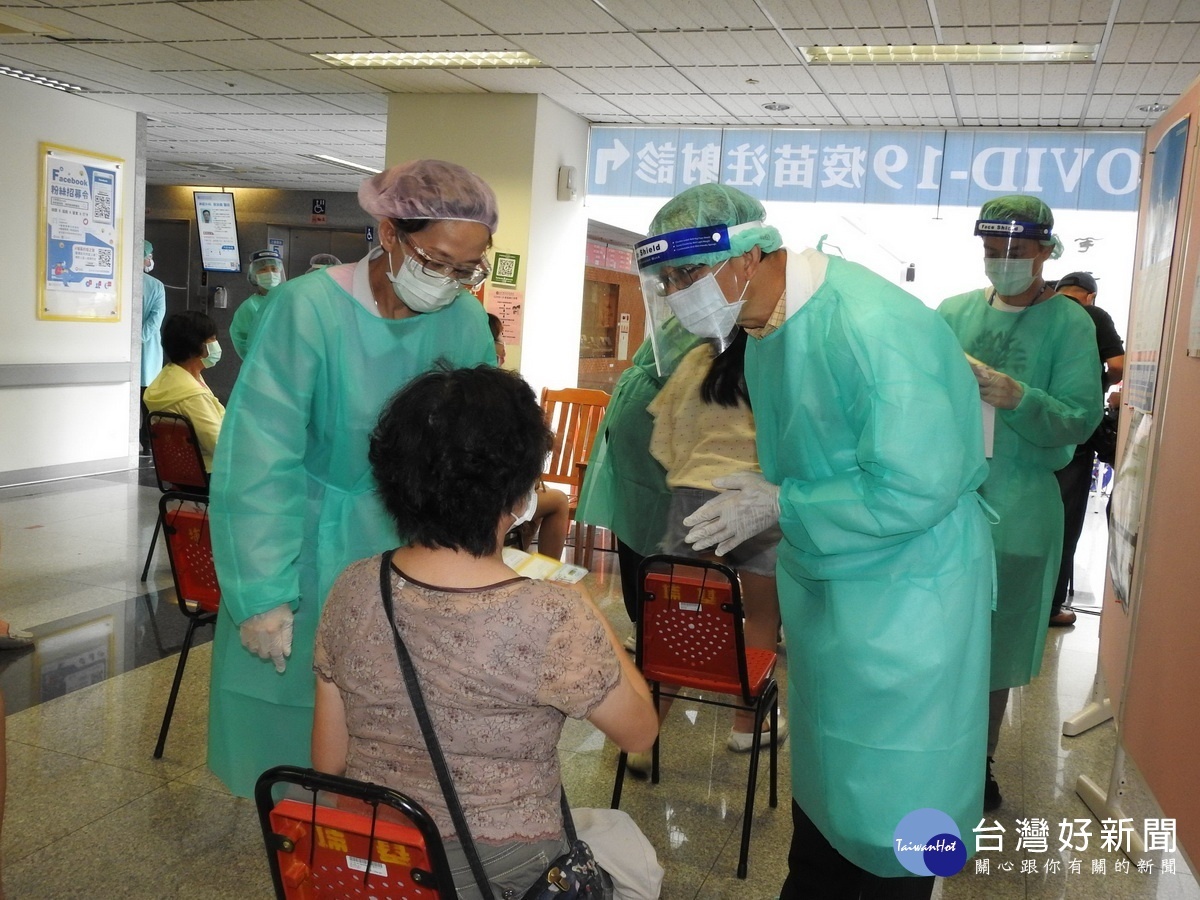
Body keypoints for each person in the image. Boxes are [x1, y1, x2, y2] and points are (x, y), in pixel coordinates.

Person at [636, 183, 994, 897]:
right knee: (829, 800)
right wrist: (766, 492)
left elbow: (916, 483)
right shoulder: (767, 331)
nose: (677, 295)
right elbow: (817, 454)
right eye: (667, 281)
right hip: (833, 593)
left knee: (897, 812)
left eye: (687, 275)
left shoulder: (868, 322)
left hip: (905, 599)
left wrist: (783, 503)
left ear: (751, 256)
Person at [206, 159, 500, 798]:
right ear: (390, 232)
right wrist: (262, 592)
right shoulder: (306, 310)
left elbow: (479, 441)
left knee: (406, 741)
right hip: (307, 549)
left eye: (466, 269)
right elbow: (261, 456)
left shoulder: (465, 320)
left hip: (418, 557)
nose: (450, 282)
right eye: (437, 260)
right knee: (301, 737)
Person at [313, 365, 658, 898]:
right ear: (517, 488)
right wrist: (582, 604)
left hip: (378, 865)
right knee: (634, 859)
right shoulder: (551, 611)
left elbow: (330, 764)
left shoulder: (353, 587)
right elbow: (640, 732)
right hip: (502, 870)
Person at [938, 196, 1102, 812]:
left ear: (1045, 252)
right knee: (939, 636)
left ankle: (976, 761)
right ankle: (931, 750)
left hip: (1020, 504)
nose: (1002, 260)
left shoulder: (1068, 323)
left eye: (1016, 250)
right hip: (947, 499)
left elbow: (1079, 419)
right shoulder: (952, 312)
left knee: (995, 646)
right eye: (992, 249)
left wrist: (1019, 396)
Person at [643, 330, 785, 752]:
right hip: (761, 498)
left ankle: (646, 733)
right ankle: (746, 725)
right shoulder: (777, 362)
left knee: (681, 614)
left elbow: (666, 432)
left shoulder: (698, 360)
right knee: (760, 617)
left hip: (696, 498)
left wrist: (695, 473)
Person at [575, 320, 702, 628]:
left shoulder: (681, 320)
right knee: (660, 532)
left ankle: (645, 622)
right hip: (656, 415)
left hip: (635, 406)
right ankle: (656, 625)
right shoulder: (709, 323)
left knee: (636, 526)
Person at [1048, 271, 1125, 626]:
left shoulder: (1039, 310)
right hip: (1072, 435)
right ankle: (1050, 607)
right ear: (1090, 296)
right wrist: (1097, 386)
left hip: (1023, 428)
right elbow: (1119, 366)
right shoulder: (1092, 316)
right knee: (1063, 521)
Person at [142, 311, 226, 471]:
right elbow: (218, 445)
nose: (217, 345)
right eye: (213, 339)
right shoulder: (191, 394)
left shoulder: (171, 378)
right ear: (197, 346)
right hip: (211, 472)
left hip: (183, 470)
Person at [229, 248, 286, 358]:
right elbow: (241, 341)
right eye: (263, 269)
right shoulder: (249, 307)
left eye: (274, 269)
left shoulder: (290, 300)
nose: (270, 273)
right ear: (254, 274)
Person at [140, 240, 166, 453]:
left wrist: (127, 340)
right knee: (147, 403)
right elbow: (155, 321)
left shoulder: (119, 281)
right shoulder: (155, 286)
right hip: (147, 354)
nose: (150, 259)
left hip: (122, 350)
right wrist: (138, 339)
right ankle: (147, 446)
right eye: (149, 255)